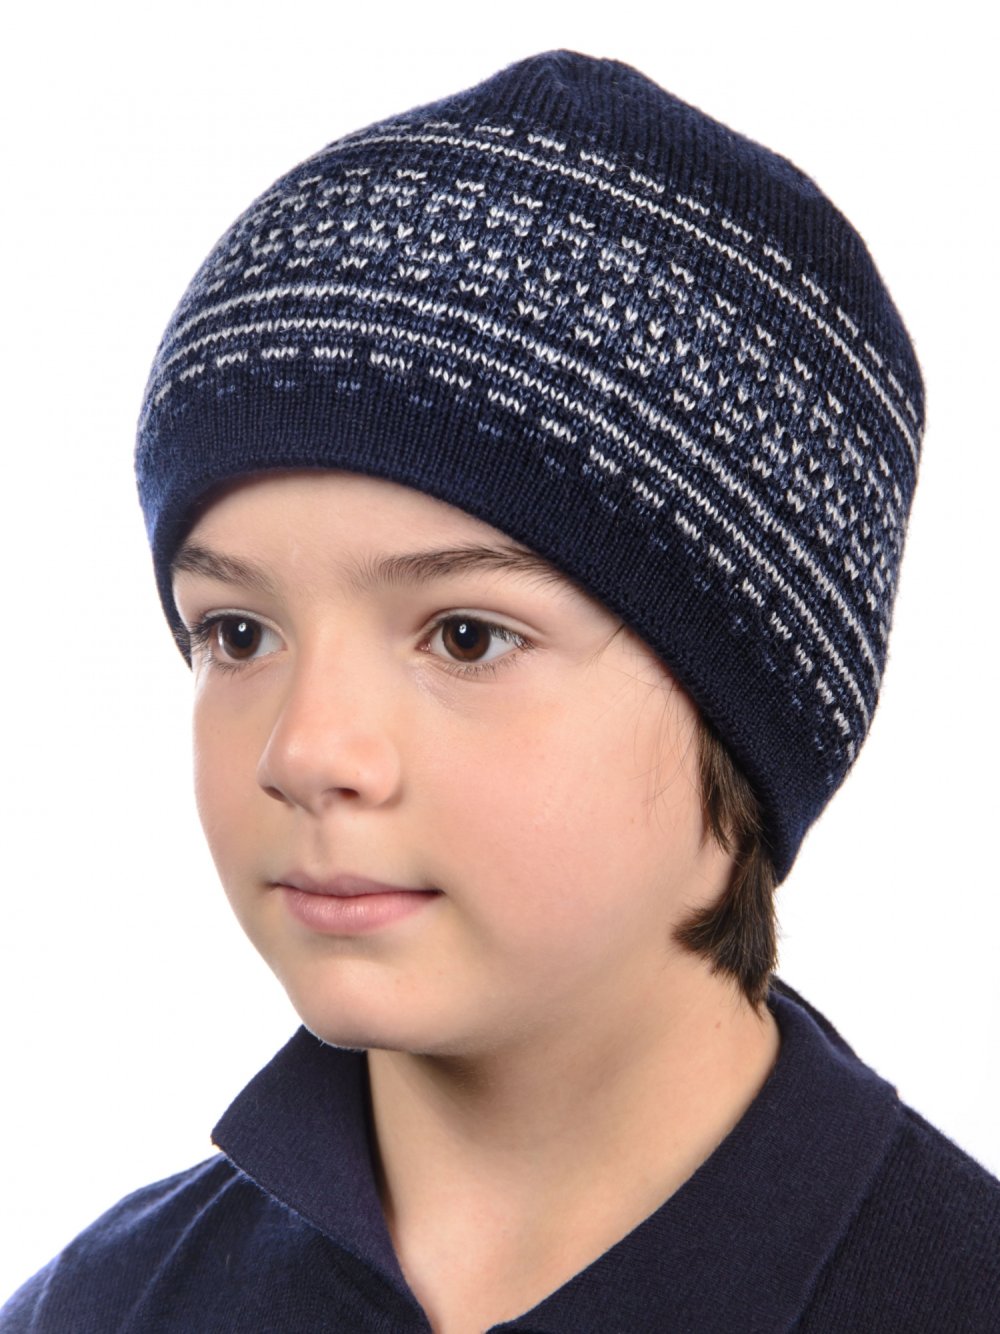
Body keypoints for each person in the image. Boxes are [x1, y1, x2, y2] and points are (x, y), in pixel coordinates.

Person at [3, 47, 997, 1334]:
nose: (305, 750)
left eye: (465, 636)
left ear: (746, 708)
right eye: (238, 632)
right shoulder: (103, 1307)